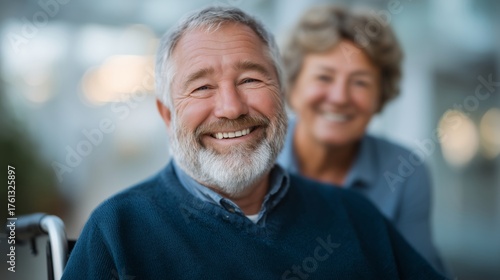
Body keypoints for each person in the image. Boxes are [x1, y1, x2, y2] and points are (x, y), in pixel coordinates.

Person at [62, 6, 445, 279]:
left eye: (250, 80)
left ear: (280, 95)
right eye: (202, 87)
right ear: (167, 115)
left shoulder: (356, 216)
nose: (230, 107)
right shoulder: (117, 231)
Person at [277, 4, 446, 274]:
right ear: (292, 87)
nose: (340, 97)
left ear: (380, 97)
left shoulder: (405, 170)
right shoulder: (257, 155)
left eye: (360, 82)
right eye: (324, 77)